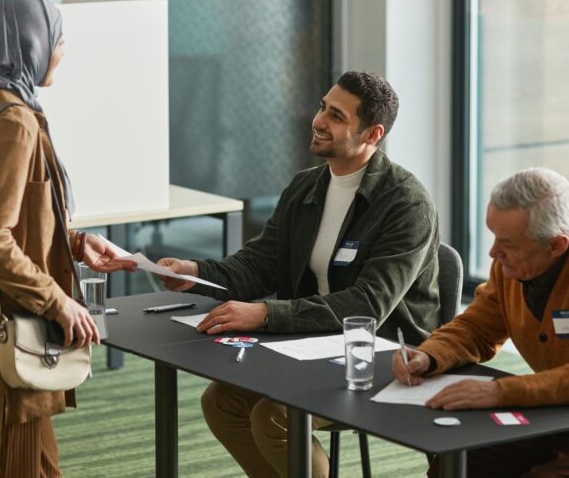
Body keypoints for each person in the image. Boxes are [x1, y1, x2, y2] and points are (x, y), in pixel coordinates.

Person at [158, 70, 442, 478]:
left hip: (382, 356)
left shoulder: (406, 204)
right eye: (322, 107)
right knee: (220, 403)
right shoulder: (306, 187)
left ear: (371, 134)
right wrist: (198, 272)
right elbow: (263, 261)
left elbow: (368, 306)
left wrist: (267, 315)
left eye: (337, 116)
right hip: (312, 345)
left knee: (274, 416)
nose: (319, 120)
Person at [0, 0, 134, 477]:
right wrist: (57, 301)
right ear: (29, 42)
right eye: (57, 38)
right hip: (3, 327)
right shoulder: (12, 121)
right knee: (22, 463)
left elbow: (1, 215)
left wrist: (76, 243)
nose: (61, 49)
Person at [393, 168, 569, 477]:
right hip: (566, 417)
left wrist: (501, 392)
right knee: (457, 464)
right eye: (494, 236)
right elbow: (477, 328)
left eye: (508, 243)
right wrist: (429, 354)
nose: (494, 252)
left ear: (557, 244)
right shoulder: (515, 263)